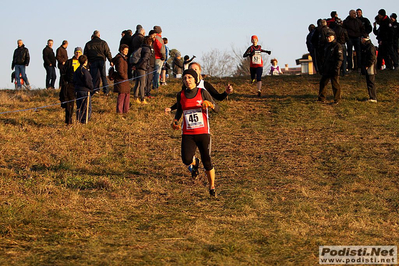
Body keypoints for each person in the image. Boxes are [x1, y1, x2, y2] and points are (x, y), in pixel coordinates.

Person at [171, 69, 219, 197]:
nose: (187, 80)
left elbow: (217, 108)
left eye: (189, 78)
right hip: (188, 133)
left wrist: (211, 105)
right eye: (185, 78)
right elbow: (180, 110)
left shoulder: (202, 92)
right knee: (186, 159)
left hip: (203, 132)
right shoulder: (180, 95)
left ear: (195, 79)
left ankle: (212, 187)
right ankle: (195, 162)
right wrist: (175, 121)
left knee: (207, 161)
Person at [165, 62, 233, 113]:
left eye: (195, 69)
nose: (193, 71)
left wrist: (226, 92)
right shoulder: (185, 86)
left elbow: (218, 97)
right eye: (191, 69)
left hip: (204, 114)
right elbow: (182, 101)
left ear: (199, 71)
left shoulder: (205, 84)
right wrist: (171, 108)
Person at [318, 31, 343, 104]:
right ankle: (321, 98)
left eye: (329, 37)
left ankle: (337, 99)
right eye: (327, 37)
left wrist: (337, 67)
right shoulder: (327, 46)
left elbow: (340, 58)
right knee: (323, 83)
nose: (328, 38)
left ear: (333, 37)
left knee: (335, 84)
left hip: (334, 67)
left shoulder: (337, 46)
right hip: (327, 67)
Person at [60, 47, 82, 125]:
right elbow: (63, 73)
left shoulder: (83, 62)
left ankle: (80, 120)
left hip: (80, 85)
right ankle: (68, 120)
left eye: (79, 52)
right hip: (70, 85)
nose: (77, 54)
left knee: (81, 104)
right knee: (69, 104)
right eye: (76, 52)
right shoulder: (69, 62)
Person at [73, 55, 94, 124]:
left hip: (77, 90)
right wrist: (91, 88)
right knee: (87, 107)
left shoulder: (77, 70)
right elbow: (88, 80)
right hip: (85, 91)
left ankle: (79, 119)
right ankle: (85, 121)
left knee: (79, 106)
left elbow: (74, 80)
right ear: (85, 61)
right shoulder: (84, 71)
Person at [133, 36, 153, 104]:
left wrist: (136, 66)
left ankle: (135, 97)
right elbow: (144, 59)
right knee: (142, 83)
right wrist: (140, 65)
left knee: (137, 83)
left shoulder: (141, 47)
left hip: (138, 67)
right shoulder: (147, 49)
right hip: (142, 67)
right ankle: (142, 98)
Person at [113, 44, 130, 113]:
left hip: (124, 80)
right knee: (122, 95)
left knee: (126, 94)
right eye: (125, 50)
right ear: (121, 50)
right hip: (121, 80)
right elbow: (120, 70)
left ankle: (125, 110)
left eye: (127, 50)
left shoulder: (123, 58)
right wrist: (124, 77)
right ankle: (120, 111)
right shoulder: (120, 59)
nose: (126, 52)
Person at [360, 35, 377, 102]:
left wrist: (368, 65)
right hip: (368, 66)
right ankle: (371, 96)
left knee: (371, 82)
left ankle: (373, 97)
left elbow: (372, 57)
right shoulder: (367, 46)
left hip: (371, 67)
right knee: (369, 82)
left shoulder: (370, 46)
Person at [152, 26, 166, 90]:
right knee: (157, 73)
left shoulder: (154, 37)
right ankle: (156, 86)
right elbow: (161, 48)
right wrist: (163, 56)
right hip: (158, 57)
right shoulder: (159, 38)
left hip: (154, 57)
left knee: (155, 72)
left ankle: (154, 85)